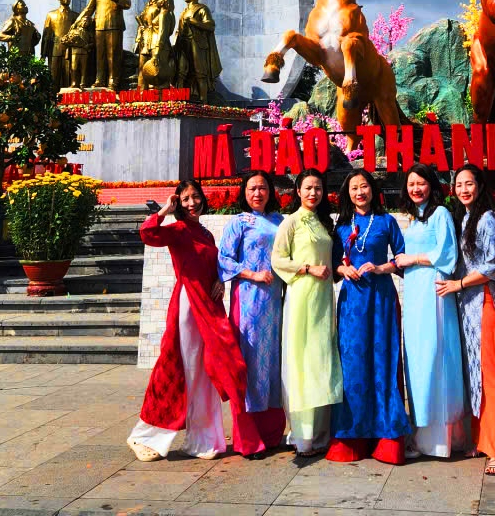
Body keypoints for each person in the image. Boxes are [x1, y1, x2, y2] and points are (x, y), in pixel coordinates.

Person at [128, 181, 247, 462]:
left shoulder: (204, 232)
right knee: (180, 368)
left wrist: (220, 280)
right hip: (188, 305)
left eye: (195, 197)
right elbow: (148, 234)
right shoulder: (179, 230)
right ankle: (146, 436)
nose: (192, 203)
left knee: (207, 371)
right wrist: (166, 210)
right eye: (185, 199)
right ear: (178, 203)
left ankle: (204, 438)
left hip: (209, 306)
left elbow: (213, 265)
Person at [327, 169, 411, 465]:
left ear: (373, 190)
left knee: (383, 362)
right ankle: (352, 438)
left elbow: (401, 258)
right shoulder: (341, 227)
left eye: (364, 187)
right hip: (352, 303)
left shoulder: (387, 222)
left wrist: (380, 267)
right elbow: (333, 263)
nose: (359, 192)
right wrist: (342, 270)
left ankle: (387, 437)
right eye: (354, 188)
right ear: (347, 194)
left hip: (382, 300)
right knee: (352, 364)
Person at [436, 163, 495, 475]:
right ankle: (483, 439)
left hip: (484, 301)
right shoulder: (464, 218)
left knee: (491, 374)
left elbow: (493, 264)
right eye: (459, 184)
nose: (464, 189)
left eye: (469, 184)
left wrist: (460, 283)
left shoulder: (487, 219)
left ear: (480, 187)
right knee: (474, 373)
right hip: (467, 305)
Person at [394, 163, 465, 458]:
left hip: (435, 292)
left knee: (435, 356)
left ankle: (439, 438)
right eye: (411, 184)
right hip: (414, 296)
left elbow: (446, 255)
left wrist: (412, 259)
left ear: (432, 185)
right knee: (418, 359)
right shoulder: (415, 218)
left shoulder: (440, 214)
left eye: (421, 183)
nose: (416, 189)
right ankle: (420, 429)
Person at [270, 168, 343, 456]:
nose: (313, 193)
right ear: (298, 191)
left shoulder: (323, 222)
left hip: (324, 298)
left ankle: (322, 431)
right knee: (302, 361)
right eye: (308, 188)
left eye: (318, 188)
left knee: (322, 359)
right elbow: (277, 258)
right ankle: (303, 434)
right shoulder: (292, 222)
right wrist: (307, 268)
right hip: (302, 297)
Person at [217, 172, 286, 459]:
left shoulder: (280, 221)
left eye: (262, 187)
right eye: (252, 188)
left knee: (272, 361)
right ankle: (249, 439)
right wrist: (253, 274)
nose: (257, 193)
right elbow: (224, 259)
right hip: (247, 301)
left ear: (271, 191)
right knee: (250, 360)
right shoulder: (238, 222)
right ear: (243, 192)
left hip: (275, 302)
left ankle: (271, 433)